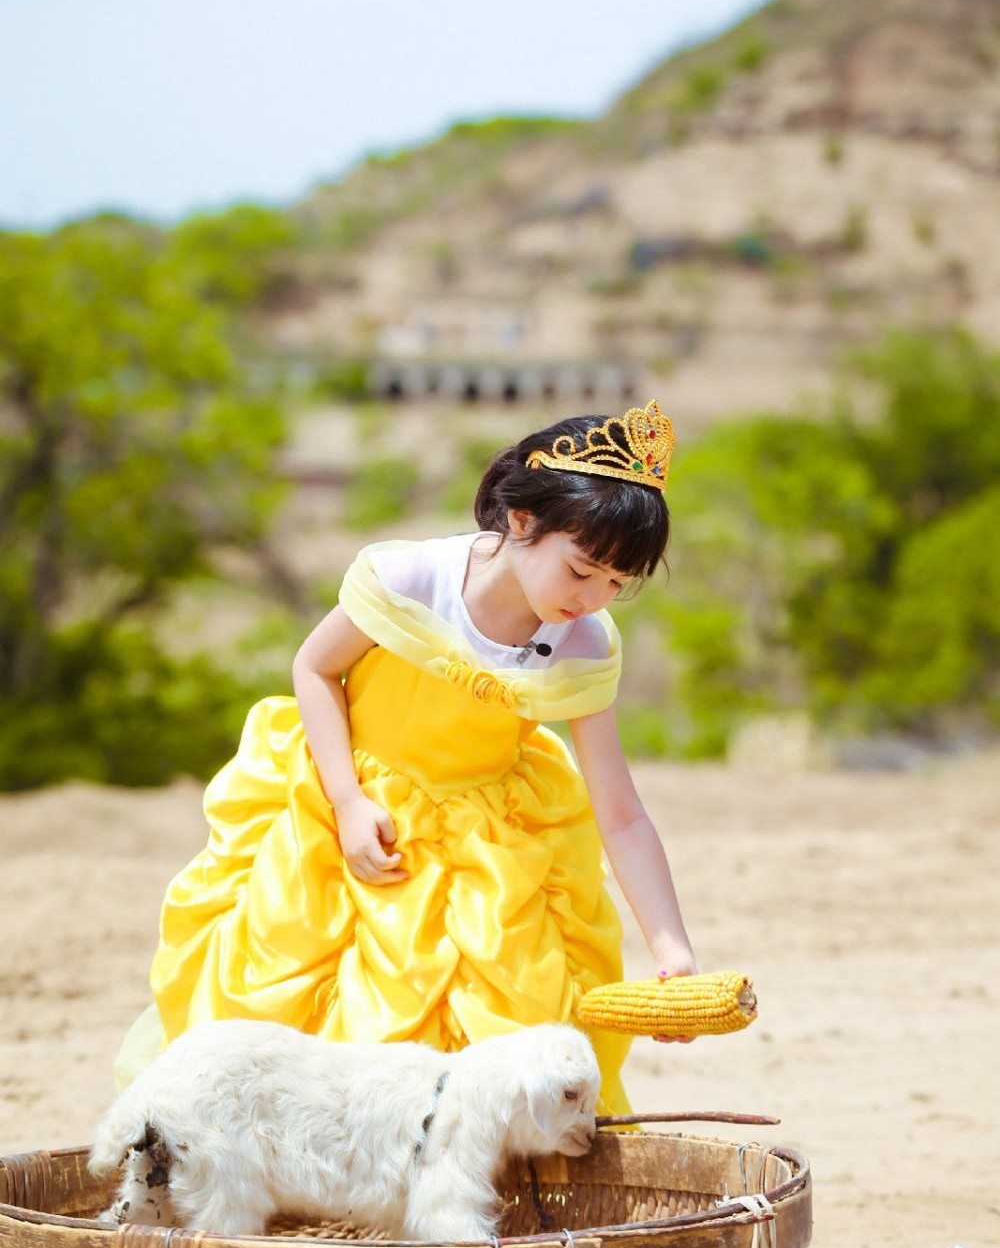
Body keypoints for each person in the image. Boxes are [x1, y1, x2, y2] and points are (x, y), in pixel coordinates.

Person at [112, 400, 696, 1112]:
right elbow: (315, 669)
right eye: (582, 570)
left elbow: (621, 813)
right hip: (361, 804)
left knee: (510, 1022)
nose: (596, 595)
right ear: (521, 521)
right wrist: (348, 801)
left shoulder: (586, 641)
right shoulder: (412, 576)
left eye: (616, 582)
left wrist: (670, 949)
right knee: (307, 1002)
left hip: (486, 840)